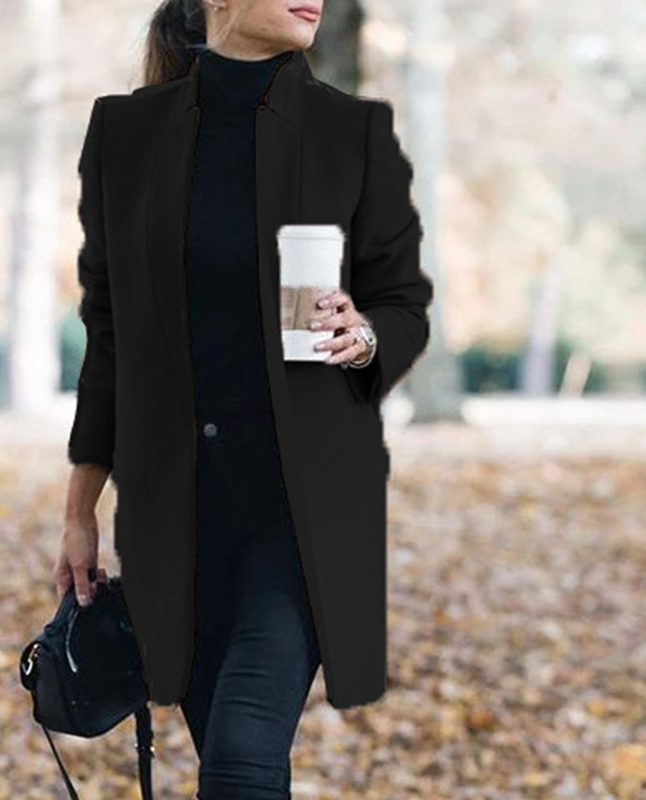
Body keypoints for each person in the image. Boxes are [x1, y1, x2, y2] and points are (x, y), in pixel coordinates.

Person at [54, 0, 433, 796]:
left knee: (241, 759)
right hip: (174, 516)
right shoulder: (126, 136)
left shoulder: (351, 132)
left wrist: (363, 335)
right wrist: (79, 509)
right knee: (236, 767)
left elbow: (403, 304)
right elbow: (109, 335)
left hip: (301, 514)